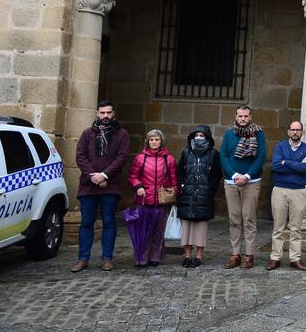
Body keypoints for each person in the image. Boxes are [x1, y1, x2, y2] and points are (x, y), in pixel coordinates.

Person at [71, 100, 131, 272]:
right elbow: (80, 157)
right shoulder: (87, 134)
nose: (106, 116)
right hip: (88, 186)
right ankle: (83, 258)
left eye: (109, 113)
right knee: (86, 222)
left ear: (113, 114)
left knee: (109, 222)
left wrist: (104, 175)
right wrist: (94, 177)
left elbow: (121, 158)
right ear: (97, 114)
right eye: (102, 113)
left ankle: (107, 258)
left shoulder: (122, 135)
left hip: (110, 185)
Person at [220, 105, 266, 270]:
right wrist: (233, 175)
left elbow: (261, 156)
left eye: (246, 116)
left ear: (250, 116)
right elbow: (223, 155)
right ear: (236, 116)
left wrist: (247, 176)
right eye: (240, 116)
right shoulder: (229, 133)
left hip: (251, 182)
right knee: (234, 219)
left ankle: (249, 255)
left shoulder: (259, 133)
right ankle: (235, 254)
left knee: (249, 218)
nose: (243, 119)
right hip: (231, 182)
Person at [266, 121, 306, 271]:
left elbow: (305, 167)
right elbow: (275, 166)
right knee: (278, 227)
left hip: (298, 191)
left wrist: (286, 162)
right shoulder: (280, 146)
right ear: (288, 132)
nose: (295, 132)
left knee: (296, 227)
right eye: (292, 129)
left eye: (298, 130)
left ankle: (295, 258)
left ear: (302, 132)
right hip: (280, 189)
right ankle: (275, 258)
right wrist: (295, 164)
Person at [128, 129, 178, 267]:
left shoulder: (169, 159)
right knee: (143, 230)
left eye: (157, 139)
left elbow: (174, 180)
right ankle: (141, 258)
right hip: (144, 199)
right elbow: (133, 176)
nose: (154, 142)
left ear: (161, 141)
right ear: (147, 141)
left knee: (158, 230)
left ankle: (155, 256)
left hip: (162, 200)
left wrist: (174, 192)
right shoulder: (140, 158)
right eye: (151, 139)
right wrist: (138, 186)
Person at [176, 125, 223, 268]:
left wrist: (209, 189)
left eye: (202, 136)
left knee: (201, 227)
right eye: (196, 135)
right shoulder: (186, 152)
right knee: (187, 228)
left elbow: (216, 174)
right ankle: (187, 255)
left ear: (207, 137)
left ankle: (198, 256)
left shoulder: (213, 154)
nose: (198, 138)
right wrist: (182, 185)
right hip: (187, 195)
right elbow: (180, 172)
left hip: (204, 196)